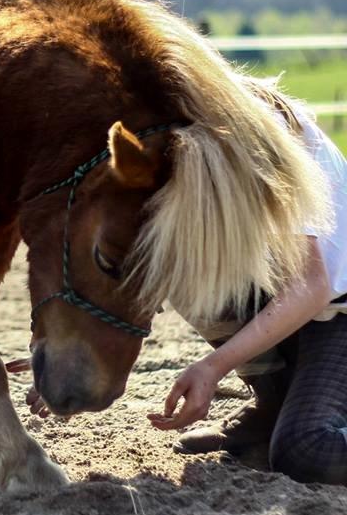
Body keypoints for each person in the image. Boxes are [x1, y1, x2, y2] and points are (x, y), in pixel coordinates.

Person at [148, 83, 347, 485]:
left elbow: (312, 285)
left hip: (335, 308)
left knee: (306, 449)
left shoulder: (263, 137)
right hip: (312, 311)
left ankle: (296, 412)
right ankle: (273, 402)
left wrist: (212, 367)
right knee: (180, 259)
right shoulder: (179, 134)